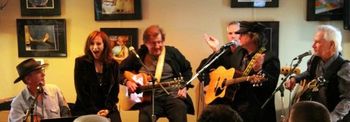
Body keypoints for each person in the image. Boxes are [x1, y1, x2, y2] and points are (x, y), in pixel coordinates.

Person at [198, 21, 280, 122]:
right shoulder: (239, 52)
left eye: (242, 33)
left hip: (256, 110)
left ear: (253, 37)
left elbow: (270, 87)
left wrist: (259, 69)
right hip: (235, 107)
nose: (238, 36)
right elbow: (219, 68)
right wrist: (216, 49)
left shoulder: (269, 58)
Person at [120, 25, 194, 122]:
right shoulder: (139, 54)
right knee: (144, 118)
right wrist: (127, 82)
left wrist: (184, 86)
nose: (157, 46)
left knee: (180, 111)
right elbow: (118, 70)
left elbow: (187, 69)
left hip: (173, 97)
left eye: (159, 42)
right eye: (153, 43)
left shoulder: (172, 52)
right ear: (146, 43)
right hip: (149, 100)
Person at [284, 25, 350, 122]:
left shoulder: (344, 68)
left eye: (317, 42)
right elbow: (309, 73)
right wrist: (295, 79)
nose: (313, 45)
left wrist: (331, 118)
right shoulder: (315, 59)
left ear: (331, 45)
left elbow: (347, 100)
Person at [72, 31, 121, 122]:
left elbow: (115, 91)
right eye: (91, 44)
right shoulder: (80, 62)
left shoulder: (114, 64)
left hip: (108, 108)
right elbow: (81, 92)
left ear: (105, 45)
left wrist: (107, 109)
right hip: (86, 108)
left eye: (98, 44)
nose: (95, 47)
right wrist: (95, 111)